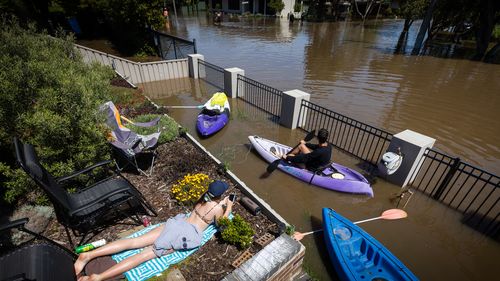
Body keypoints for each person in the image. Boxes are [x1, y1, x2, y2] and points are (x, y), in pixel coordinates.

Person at [74, 180, 233, 281]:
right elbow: (221, 225)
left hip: (176, 224)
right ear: (220, 195)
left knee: (133, 242)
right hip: (185, 236)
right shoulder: (218, 208)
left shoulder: (203, 197)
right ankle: (98, 277)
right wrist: (228, 207)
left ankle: (89, 254)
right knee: (143, 255)